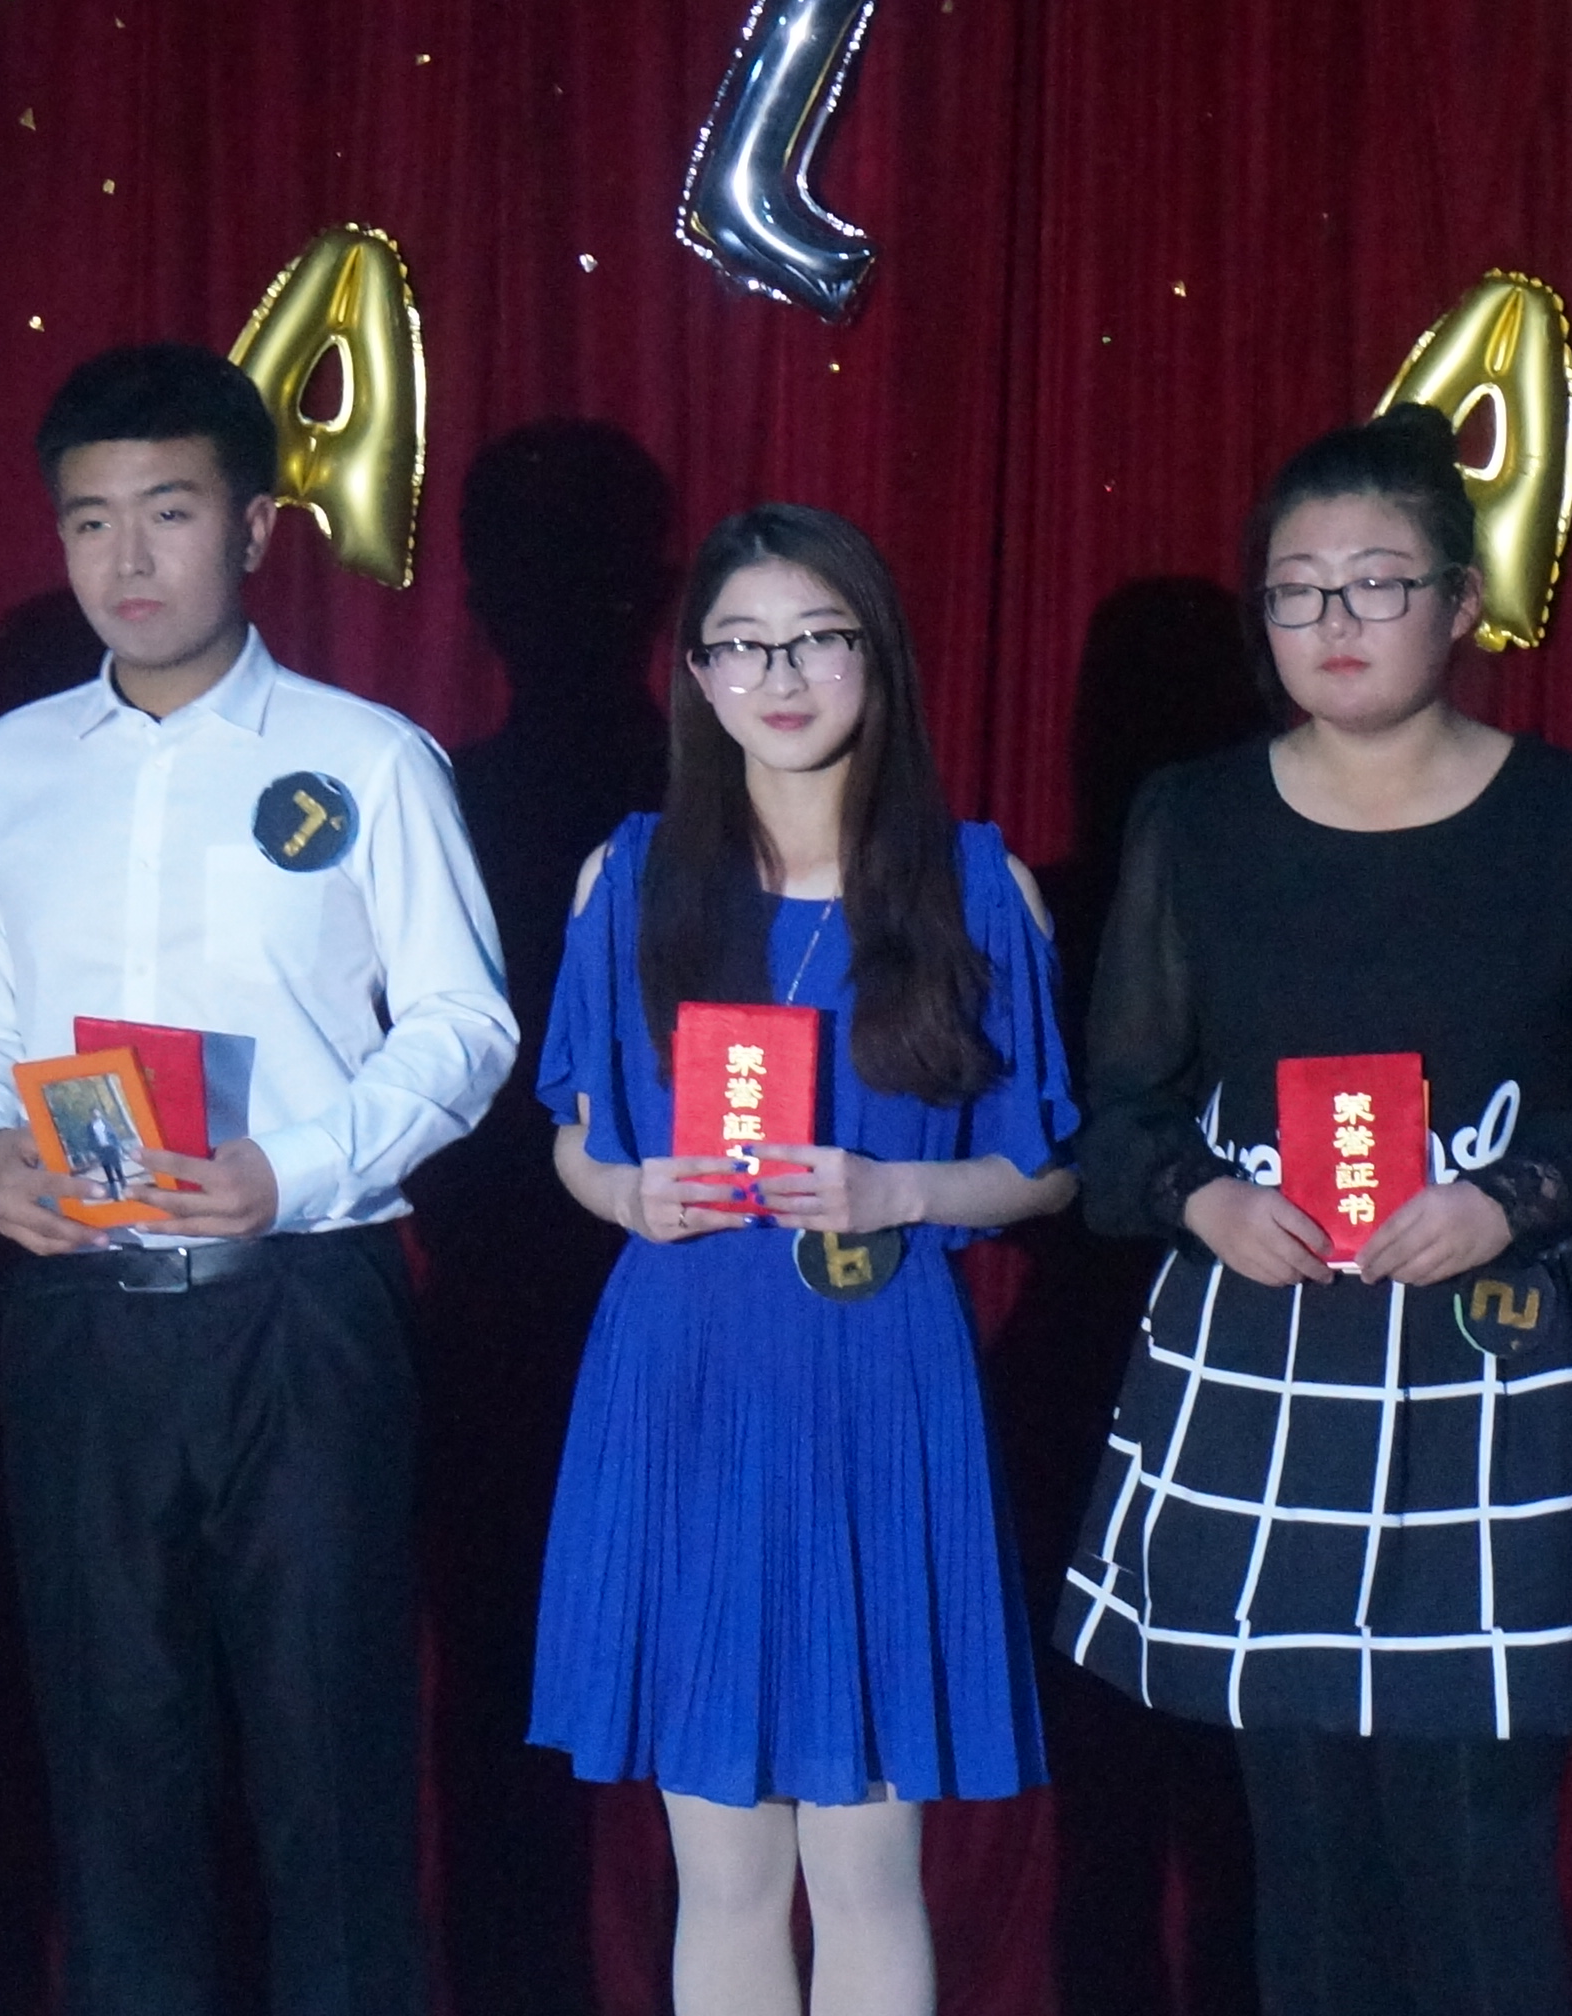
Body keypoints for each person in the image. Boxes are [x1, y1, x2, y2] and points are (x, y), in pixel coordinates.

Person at [1058, 407, 1572, 2016]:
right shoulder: (1195, 818)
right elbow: (1119, 1108)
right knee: (1304, 1853)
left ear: (1462, 603)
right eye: (1297, 591)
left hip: (1495, 1364)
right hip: (1266, 1362)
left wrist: (1512, 1198)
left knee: (1479, 1847)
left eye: (1376, 583)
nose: (1334, 621)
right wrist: (1201, 1196)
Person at [0, 340, 519, 2016]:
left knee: (333, 1764)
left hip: (301, 1311)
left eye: (168, 513)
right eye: (90, 520)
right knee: (112, 1769)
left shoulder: (367, 755)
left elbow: (466, 1024)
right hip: (75, 1317)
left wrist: (293, 1171)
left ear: (255, 527)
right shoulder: (10, 768)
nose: (128, 559)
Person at [529, 502, 1079, 2016]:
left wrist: (896, 1188)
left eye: (817, 639)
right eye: (741, 646)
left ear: (876, 657)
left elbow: (1046, 1168)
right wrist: (626, 1195)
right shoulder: (629, 878)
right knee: (719, 1868)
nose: (779, 678)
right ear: (698, 676)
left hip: (878, 1377)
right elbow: (575, 1135)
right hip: (682, 1372)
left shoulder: (978, 886)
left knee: (865, 1865)